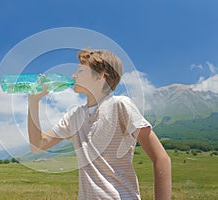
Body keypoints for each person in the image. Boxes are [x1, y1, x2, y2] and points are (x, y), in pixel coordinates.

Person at [27, 49, 171, 200]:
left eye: (80, 71)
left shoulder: (120, 105)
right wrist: (34, 101)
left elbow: (162, 159)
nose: (73, 76)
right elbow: (37, 145)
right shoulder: (74, 116)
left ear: (100, 75)